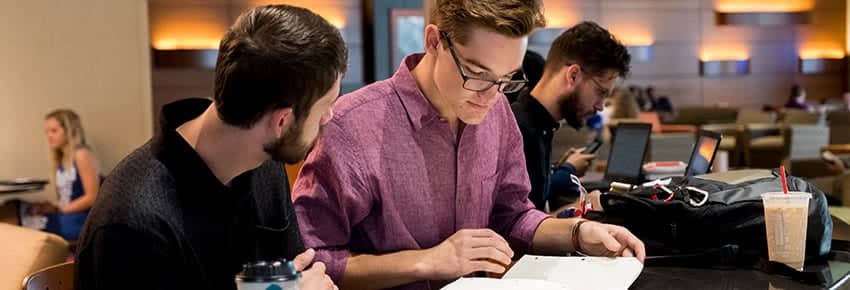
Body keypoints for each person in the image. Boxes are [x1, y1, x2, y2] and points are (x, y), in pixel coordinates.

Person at [292, 2, 645, 290]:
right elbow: (314, 261)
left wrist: (578, 234)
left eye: (506, 79)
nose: (490, 97)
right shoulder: (351, 127)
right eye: (476, 74)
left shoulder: (499, 113)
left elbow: (514, 215)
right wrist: (427, 261)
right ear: (433, 41)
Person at [75, 5, 345, 290]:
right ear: (282, 121)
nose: (329, 117)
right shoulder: (132, 224)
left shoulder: (265, 163)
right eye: (326, 107)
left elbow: (294, 275)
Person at [512, 22, 630, 211]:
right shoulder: (519, 130)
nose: (600, 107)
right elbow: (518, 227)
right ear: (573, 75)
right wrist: (583, 208)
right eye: (600, 92)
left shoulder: (541, 126)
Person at [24, 109, 100, 241]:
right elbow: (66, 199)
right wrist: (51, 207)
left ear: (69, 131)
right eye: (47, 132)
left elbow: (92, 197)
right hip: (66, 215)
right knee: (19, 208)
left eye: (54, 131)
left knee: (25, 223)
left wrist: (60, 210)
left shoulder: (81, 154)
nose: (49, 136)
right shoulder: (61, 160)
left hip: (79, 218)